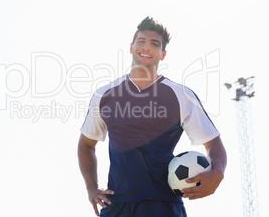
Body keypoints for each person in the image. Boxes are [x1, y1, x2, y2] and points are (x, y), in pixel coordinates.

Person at [77, 16, 227, 217]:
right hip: (116, 206)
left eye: (154, 44)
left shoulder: (181, 96)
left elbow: (212, 142)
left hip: (163, 206)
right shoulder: (105, 95)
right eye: (141, 41)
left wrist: (218, 172)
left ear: (163, 54)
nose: (146, 47)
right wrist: (91, 188)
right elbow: (86, 144)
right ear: (131, 47)